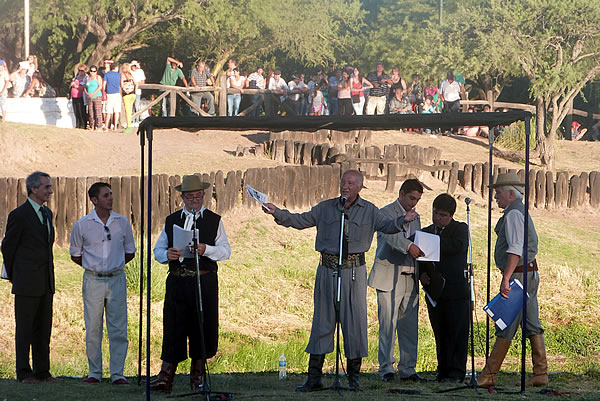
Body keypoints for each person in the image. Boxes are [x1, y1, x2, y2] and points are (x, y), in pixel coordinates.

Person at [263, 170, 418, 392]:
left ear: (359, 187)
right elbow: (300, 220)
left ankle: (353, 378)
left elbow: (387, 226)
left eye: (351, 183)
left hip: (354, 271)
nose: (345, 186)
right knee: (322, 322)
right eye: (343, 182)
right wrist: (277, 212)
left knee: (354, 323)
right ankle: (314, 377)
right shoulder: (326, 208)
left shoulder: (370, 211)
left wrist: (403, 219)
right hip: (327, 269)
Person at [151, 175, 231, 393]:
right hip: (178, 280)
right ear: (183, 197)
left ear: (203, 196)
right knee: (173, 327)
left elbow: (226, 251)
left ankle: (197, 379)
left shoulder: (214, 220)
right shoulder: (172, 220)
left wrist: (207, 249)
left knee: (202, 327)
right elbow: (157, 250)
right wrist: (167, 254)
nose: (195, 199)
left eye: (198, 195)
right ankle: (165, 378)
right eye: (190, 196)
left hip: (203, 280)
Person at [478, 172, 548, 387]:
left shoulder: (513, 214)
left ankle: (490, 374)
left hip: (519, 275)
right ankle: (540, 374)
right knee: (531, 322)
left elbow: (515, 248)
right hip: (526, 273)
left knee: (506, 321)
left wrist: (506, 278)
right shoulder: (516, 211)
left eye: (498, 193)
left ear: (511, 194)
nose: (495, 197)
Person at [69, 182, 136, 385]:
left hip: (116, 279)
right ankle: (94, 373)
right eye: (106, 195)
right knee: (93, 328)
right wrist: (95, 266)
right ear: (94, 200)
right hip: (93, 280)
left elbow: (130, 251)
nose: (111, 198)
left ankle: (117, 373)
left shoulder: (122, 222)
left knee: (118, 328)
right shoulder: (83, 225)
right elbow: (75, 254)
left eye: (111, 195)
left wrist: (114, 265)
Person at [1, 171, 62, 383]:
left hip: (45, 281)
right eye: (46, 187)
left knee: (43, 328)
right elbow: (8, 247)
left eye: (50, 186)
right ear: (34, 189)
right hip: (26, 282)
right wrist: (15, 275)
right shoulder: (19, 215)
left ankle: (42, 371)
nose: (50, 191)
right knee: (25, 328)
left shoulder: (47, 214)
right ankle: (24, 372)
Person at [368, 179, 425, 382]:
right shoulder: (385, 212)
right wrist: (409, 247)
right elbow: (388, 236)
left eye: (417, 199)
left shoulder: (416, 217)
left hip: (411, 275)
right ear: (401, 193)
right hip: (389, 274)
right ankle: (386, 368)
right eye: (411, 198)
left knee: (409, 326)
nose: (413, 203)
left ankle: (408, 368)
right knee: (388, 324)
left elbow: (416, 239)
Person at [419, 194, 469, 382]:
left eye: (442, 215)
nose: (437, 218)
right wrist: (421, 273)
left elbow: (457, 246)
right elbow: (419, 255)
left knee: (457, 332)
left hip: (456, 291)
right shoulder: (426, 231)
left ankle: (456, 372)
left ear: (451, 216)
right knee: (440, 333)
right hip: (435, 292)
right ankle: (443, 369)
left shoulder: (460, 229)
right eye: (435, 213)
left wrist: (429, 241)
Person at [84, 66, 104, 130]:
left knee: (98, 112)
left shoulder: (98, 77)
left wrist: (93, 93)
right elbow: (85, 87)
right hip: (89, 97)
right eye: (91, 71)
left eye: (94, 71)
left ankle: (99, 126)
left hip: (97, 96)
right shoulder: (88, 78)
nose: (92, 72)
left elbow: (100, 86)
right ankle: (92, 125)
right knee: (91, 113)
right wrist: (87, 93)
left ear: (96, 72)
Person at [103, 62, 122, 130]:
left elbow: (104, 84)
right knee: (116, 110)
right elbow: (120, 84)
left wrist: (104, 92)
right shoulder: (119, 75)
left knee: (109, 110)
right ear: (116, 67)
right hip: (117, 93)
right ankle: (115, 126)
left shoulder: (107, 74)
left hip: (109, 93)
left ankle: (106, 125)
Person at [120, 63, 137, 133]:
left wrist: (123, 91)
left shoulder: (123, 75)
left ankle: (129, 126)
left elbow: (121, 85)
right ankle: (130, 124)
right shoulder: (131, 75)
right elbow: (136, 84)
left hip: (126, 94)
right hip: (133, 94)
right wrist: (135, 91)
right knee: (130, 110)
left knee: (127, 111)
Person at [70, 64, 88, 129]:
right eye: (79, 70)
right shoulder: (76, 77)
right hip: (74, 96)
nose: (81, 72)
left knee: (81, 111)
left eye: (82, 70)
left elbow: (84, 86)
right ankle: (77, 124)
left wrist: (76, 86)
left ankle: (83, 124)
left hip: (81, 96)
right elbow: (71, 83)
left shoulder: (86, 78)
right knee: (76, 111)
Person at [130, 60, 146, 124]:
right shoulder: (129, 72)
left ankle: (137, 120)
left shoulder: (140, 71)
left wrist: (136, 84)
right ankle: (131, 120)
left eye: (135, 65)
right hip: (130, 91)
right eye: (132, 66)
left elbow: (143, 81)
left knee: (137, 105)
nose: (133, 67)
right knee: (131, 106)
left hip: (138, 91)